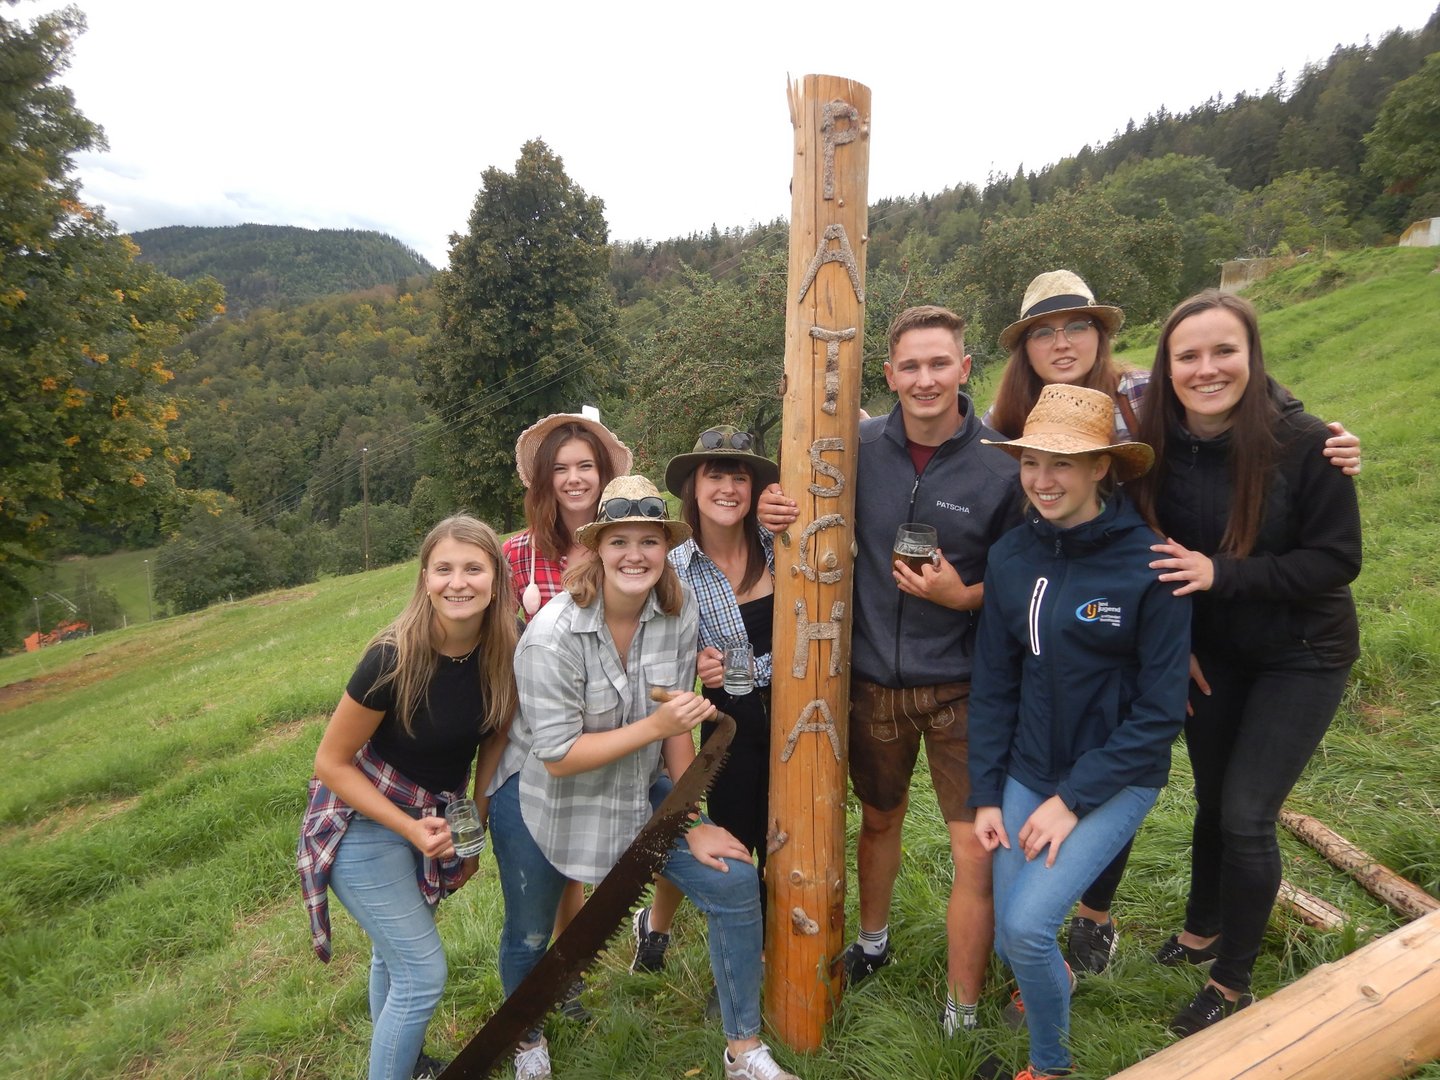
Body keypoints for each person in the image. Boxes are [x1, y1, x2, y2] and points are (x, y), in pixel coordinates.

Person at [985, 269, 1363, 974]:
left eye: (1077, 326)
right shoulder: (1010, 421)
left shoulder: (1145, 405)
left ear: (1102, 333)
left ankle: (1161, 943)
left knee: (1228, 803)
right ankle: (1193, 928)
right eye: (1044, 331)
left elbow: (1245, 411)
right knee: (1203, 790)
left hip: (1251, 630)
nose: (1062, 343)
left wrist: (1328, 443)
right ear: (1024, 348)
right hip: (1177, 627)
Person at [758, 305, 1022, 1037]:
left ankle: (961, 1006)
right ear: (888, 374)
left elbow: (1027, 577)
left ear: (965, 368)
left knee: (973, 846)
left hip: (964, 684)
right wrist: (775, 508)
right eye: (910, 366)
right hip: (872, 680)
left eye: (939, 363)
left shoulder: (1003, 464)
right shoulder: (856, 448)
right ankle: (873, 943)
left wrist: (962, 596)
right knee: (878, 820)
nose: (925, 379)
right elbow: (801, 511)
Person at [489, 475, 801, 1080]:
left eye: (650, 541)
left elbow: (677, 728)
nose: (635, 555)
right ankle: (526, 1039)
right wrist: (656, 725)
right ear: (597, 550)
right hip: (541, 799)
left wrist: (693, 820)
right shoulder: (552, 636)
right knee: (529, 934)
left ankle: (742, 1050)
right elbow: (558, 755)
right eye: (620, 541)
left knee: (735, 881)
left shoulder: (675, 617)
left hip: (632, 787)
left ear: (666, 549)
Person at [1132, 290, 1361, 1037]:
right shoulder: (1158, 447)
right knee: (1212, 800)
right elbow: (1151, 557)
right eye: (1188, 355)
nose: (1207, 369)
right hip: (1214, 655)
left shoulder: (1307, 444)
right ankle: (1202, 931)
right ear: (1167, 369)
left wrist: (1220, 574)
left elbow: (1336, 560)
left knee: (1247, 814)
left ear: (1252, 355)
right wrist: (1179, 645)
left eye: (1224, 350)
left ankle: (1232, 985)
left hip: (1302, 653)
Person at [968, 385, 1191, 1080]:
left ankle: (1051, 1066)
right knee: (1011, 938)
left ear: (1102, 468)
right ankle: (1048, 982)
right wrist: (986, 793)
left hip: (1115, 777)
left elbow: (1159, 713)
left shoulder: (1150, 565)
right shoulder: (1010, 557)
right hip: (1027, 767)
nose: (1043, 480)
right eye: (1032, 462)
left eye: (1062, 463)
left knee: (1027, 927)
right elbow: (994, 683)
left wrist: (1072, 800)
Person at [298, 516, 519, 1080]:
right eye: (443, 569)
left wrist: (472, 829)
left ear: (497, 579)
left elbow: (495, 737)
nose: (458, 583)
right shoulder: (391, 658)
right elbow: (330, 763)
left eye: (473, 569)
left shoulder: (506, 648)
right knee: (422, 974)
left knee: (392, 958)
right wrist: (409, 828)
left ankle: (406, 1062)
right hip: (362, 818)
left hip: (435, 818)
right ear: (425, 579)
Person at [640, 426, 779, 983]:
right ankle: (707, 949)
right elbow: (662, 666)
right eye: (714, 476)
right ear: (693, 490)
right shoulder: (673, 567)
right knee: (733, 842)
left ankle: (778, 955)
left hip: (797, 716)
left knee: (787, 837)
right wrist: (697, 667)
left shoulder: (778, 543)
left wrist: (754, 669)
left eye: (739, 477)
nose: (727, 488)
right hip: (729, 727)